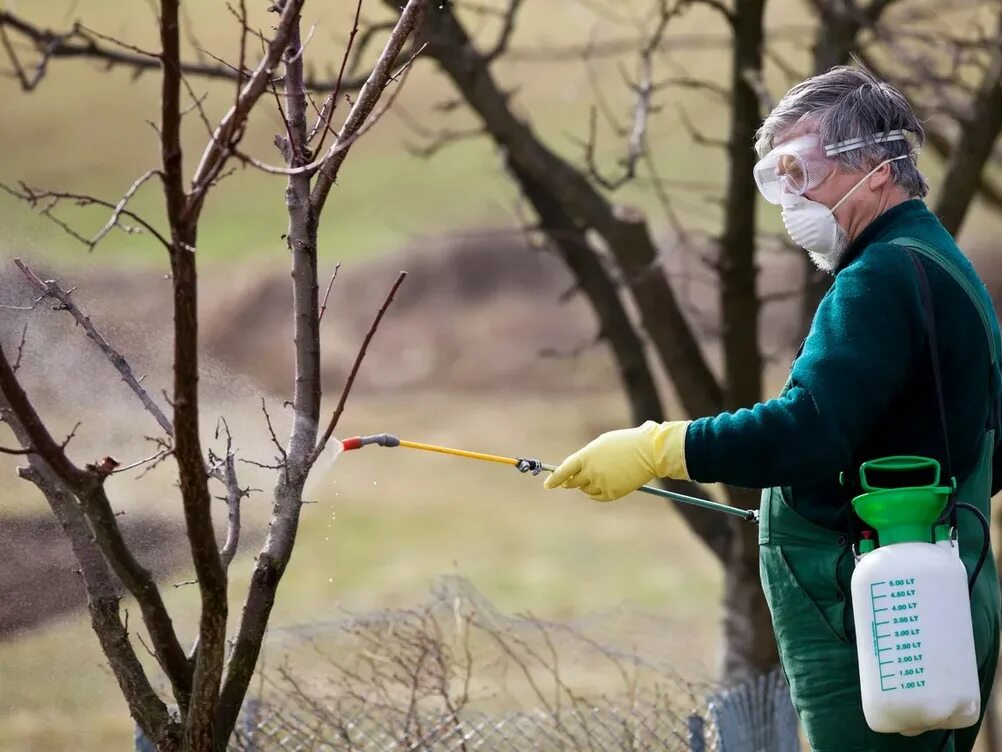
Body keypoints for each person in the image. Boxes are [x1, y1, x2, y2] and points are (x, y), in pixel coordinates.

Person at [542, 66, 1001, 752]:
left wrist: (661, 448)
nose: (791, 197)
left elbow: (806, 431)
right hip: (938, 600)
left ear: (877, 167)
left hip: (885, 620)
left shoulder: (876, 281)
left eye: (802, 168)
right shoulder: (936, 263)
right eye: (777, 175)